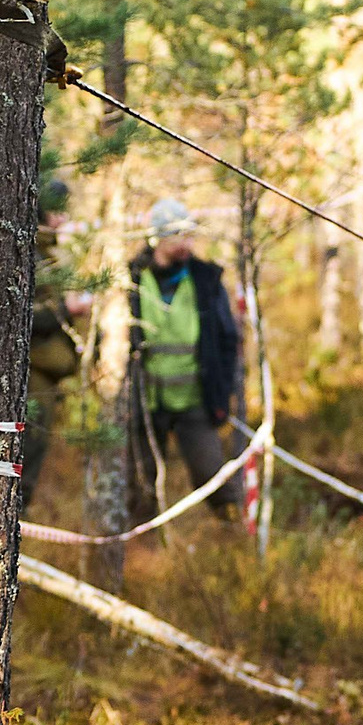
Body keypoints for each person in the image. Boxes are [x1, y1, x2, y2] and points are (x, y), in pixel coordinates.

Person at [127, 196, 244, 518]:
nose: (188, 244)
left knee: (212, 476)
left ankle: (232, 529)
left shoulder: (206, 280)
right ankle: (141, 539)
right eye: (180, 236)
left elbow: (226, 339)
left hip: (195, 400)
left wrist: (222, 393)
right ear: (158, 239)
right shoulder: (132, 278)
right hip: (147, 402)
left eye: (190, 235)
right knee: (141, 484)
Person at [20, 178, 96, 513]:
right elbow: (23, 316)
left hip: (49, 372)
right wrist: (67, 308)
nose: (63, 219)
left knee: (36, 449)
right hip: (31, 371)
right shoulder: (30, 253)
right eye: (56, 211)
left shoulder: (52, 254)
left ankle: (20, 512)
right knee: (28, 446)